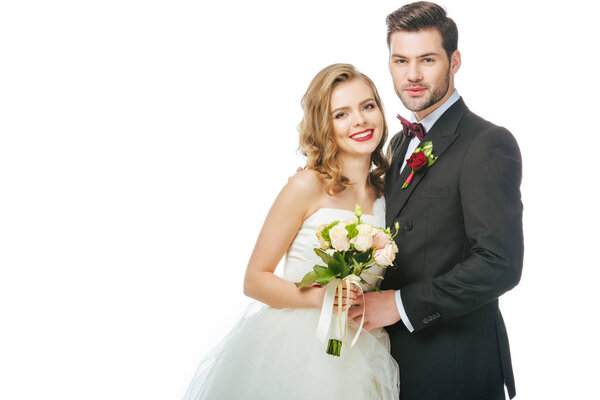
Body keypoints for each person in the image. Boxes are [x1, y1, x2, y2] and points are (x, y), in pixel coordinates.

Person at [182, 63, 400, 400]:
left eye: (368, 106)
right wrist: (322, 297)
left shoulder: (389, 195)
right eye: (341, 114)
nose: (360, 120)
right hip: (301, 350)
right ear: (324, 125)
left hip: (364, 347)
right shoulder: (306, 185)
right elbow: (254, 279)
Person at [348, 2, 524, 400]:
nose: (412, 75)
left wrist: (400, 305)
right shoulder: (396, 142)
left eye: (427, 59)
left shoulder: (488, 143)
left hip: (455, 365)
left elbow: (500, 264)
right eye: (400, 60)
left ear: (454, 60)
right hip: (392, 361)